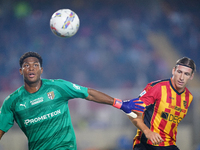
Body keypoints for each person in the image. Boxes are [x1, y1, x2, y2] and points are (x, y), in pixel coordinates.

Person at [0, 51, 144, 150]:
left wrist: (120, 104)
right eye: (26, 65)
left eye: (35, 65)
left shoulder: (58, 87)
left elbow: (89, 93)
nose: (31, 68)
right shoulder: (12, 102)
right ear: (20, 71)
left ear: (41, 70)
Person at [128, 57, 196, 150]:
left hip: (169, 145)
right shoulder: (157, 87)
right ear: (173, 71)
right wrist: (147, 132)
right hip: (146, 144)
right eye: (179, 72)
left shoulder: (189, 97)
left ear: (191, 76)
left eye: (186, 74)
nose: (181, 77)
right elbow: (132, 111)